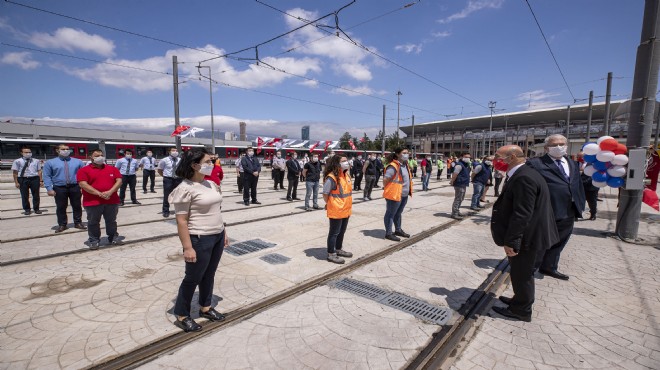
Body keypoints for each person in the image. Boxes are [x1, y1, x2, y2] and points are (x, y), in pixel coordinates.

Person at [490, 145, 559, 322]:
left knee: (522, 273)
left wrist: (512, 241)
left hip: (529, 237)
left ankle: (521, 310)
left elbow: (522, 214)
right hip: (531, 234)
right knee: (520, 272)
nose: (495, 160)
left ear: (512, 157)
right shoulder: (526, 173)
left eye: (498, 156)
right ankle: (519, 300)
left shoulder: (524, 178)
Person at [169, 148, 228, 332]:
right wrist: (188, 247)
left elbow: (217, 210)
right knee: (192, 277)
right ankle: (182, 314)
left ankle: (205, 307)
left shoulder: (211, 184)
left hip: (217, 235)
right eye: (208, 162)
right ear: (195, 165)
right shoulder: (184, 189)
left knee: (209, 274)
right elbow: (181, 220)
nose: (212, 164)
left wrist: (223, 231)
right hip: (199, 238)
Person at [527, 134, 585, 281]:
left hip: (568, 210)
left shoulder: (572, 164)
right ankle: (530, 269)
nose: (559, 147)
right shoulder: (536, 163)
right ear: (547, 148)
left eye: (562, 144)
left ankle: (549, 266)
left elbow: (576, 185)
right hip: (547, 210)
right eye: (555, 145)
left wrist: (580, 204)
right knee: (541, 243)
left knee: (560, 241)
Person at [77, 149, 123, 249]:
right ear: (91, 158)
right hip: (92, 202)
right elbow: (83, 184)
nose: (100, 157)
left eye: (102, 155)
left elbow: (119, 181)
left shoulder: (112, 169)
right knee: (93, 222)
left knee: (111, 221)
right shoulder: (83, 170)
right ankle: (94, 240)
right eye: (97, 156)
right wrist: (99, 194)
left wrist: (110, 192)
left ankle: (113, 237)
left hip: (111, 200)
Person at [43, 144, 86, 233]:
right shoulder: (50, 162)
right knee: (61, 207)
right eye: (63, 149)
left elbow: (84, 174)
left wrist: (84, 187)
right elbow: (47, 176)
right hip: (59, 187)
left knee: (77, 205)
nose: (66, 151)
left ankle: (78, 222)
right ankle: (62, 224)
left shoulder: (78, 162)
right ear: (57, 151)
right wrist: (49, 188)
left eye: (67, 149)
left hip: (75, 186)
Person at [322, 155, 354, 264]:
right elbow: (325, 193)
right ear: (337, 163)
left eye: (346, 160)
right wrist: (330, 203)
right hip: (336, 209)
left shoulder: (346, 175)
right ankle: (331, 253)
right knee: (334, 233)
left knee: (341, 232)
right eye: (343, 161)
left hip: (346, 209)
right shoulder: (332, 177)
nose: (347, 162)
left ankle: (338, 249)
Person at [383, 147, 413, 241]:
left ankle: (398, 230)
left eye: (407, 153)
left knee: (398, 213)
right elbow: (385, 180)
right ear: (397, 154)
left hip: (404, 194)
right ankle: (388, 233)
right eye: (404, 153)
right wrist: (391, 189)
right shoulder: (393, 166)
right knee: (390, 214)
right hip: (395, 194)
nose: (406, 154)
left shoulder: (405, 165)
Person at [12, 146, 43, 215]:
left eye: (29, 152)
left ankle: (36, 209)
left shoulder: (36, 161)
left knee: (36, 195)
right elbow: (15, 173)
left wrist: (41, 180)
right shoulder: (17, 161)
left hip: (34, 178)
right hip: (23, 179)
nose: (28, 153)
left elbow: (39, 171)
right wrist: (16, 182)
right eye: (26, 152)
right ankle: (27, 209)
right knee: (24, 195)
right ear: (21, 153)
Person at [158, 147, 182, 218]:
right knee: (167, 195)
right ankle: (165, 211)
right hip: (168, 179)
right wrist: (165, 177)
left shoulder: (180, 160)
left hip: (178, 179)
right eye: (173, 150)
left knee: (179, 195)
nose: (175, 152)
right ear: (169, 152)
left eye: (176, 150)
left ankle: (179, 210)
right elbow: (159, 170)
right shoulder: (164, 160)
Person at [577, 151, 599, 220]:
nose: (578, 158)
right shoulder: (575, 164)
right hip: (579, 187)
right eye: (577, 157)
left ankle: (593, 214)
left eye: (580, 157)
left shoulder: (592, 165)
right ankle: (577, 214)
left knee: (592, 202)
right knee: (578, 201)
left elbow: (591, 177)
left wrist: (581, 182)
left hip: (591, 187)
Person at [449, 152, 472, 220]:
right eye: (466, 157)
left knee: (461, 198)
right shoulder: (459, 165)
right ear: (461, 157)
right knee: (458, 199)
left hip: (463, 183)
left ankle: (457, 211)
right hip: (459, 184)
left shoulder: (466, 165)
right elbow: (455, 174)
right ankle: (454, 213)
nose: (468, 158)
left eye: (469, 157)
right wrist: (452, 181)